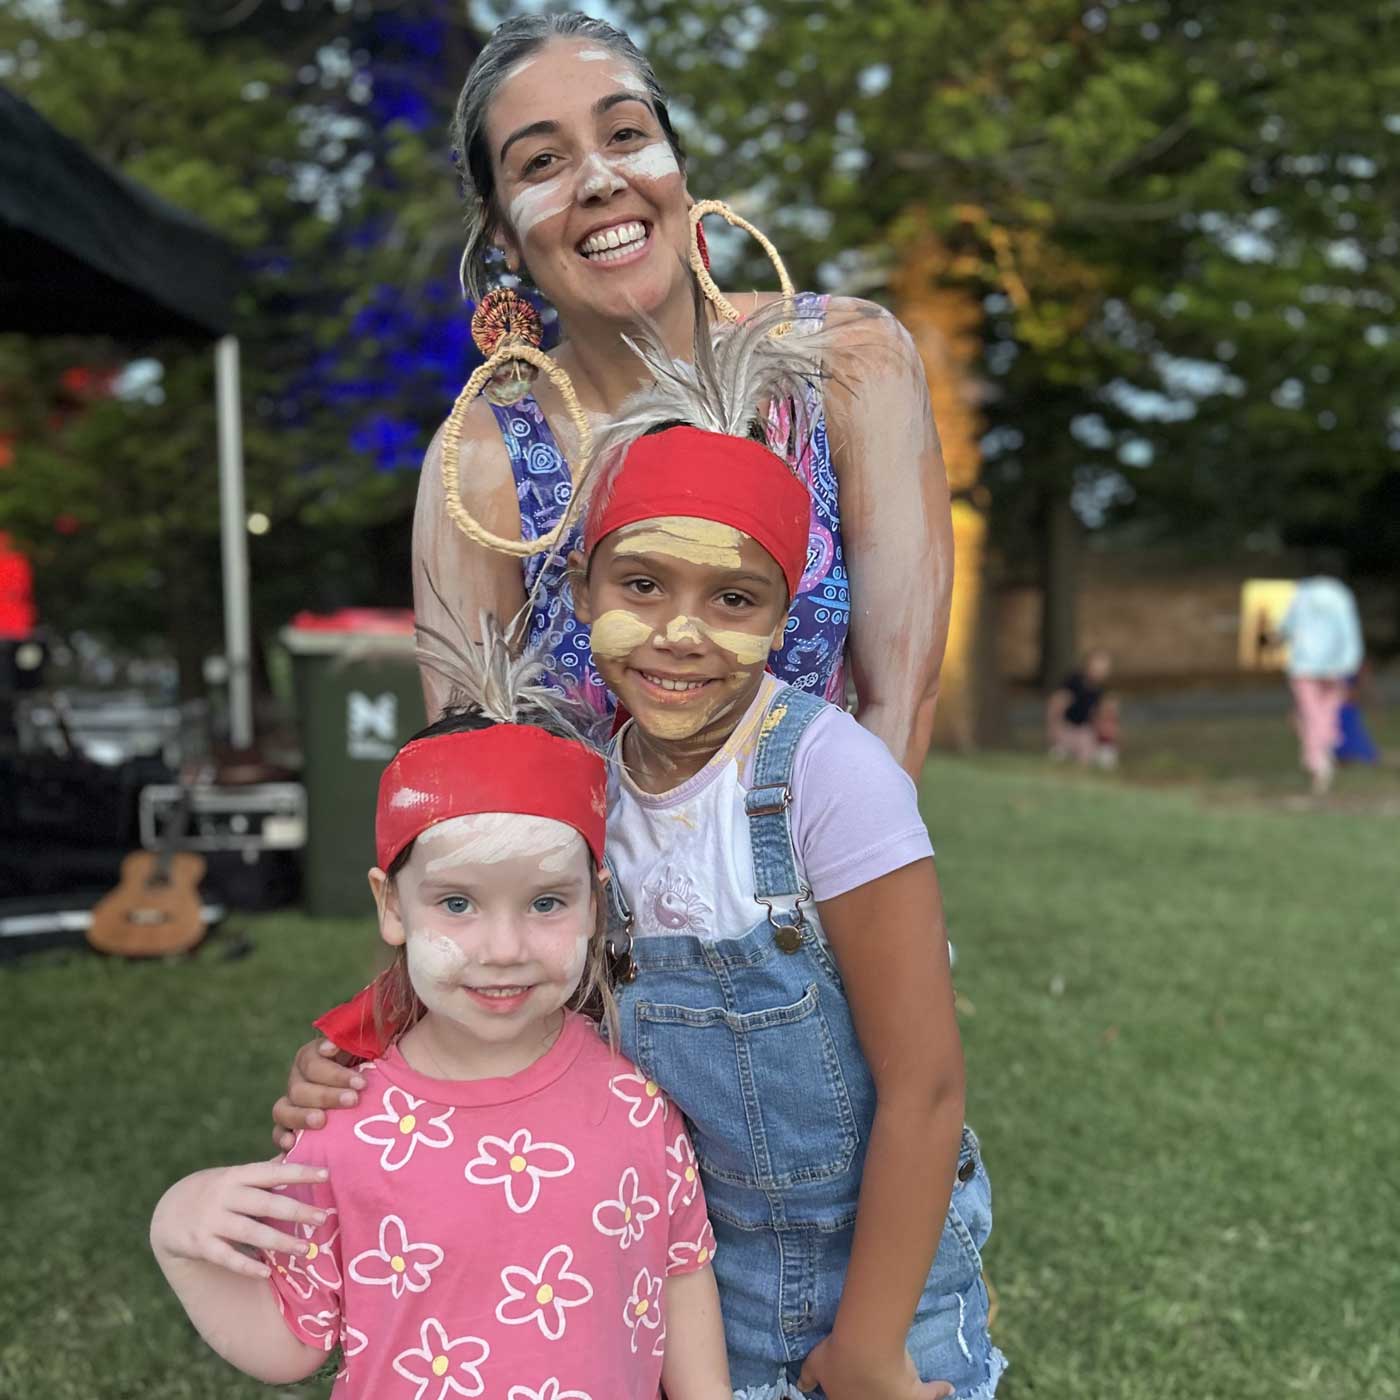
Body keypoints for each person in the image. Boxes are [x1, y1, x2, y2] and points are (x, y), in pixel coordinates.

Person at [282, 310, 1003, 1400]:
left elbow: (926, 1085)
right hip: (684, 1280)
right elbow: (504, 947)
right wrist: (346, 1051)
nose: (680, 632)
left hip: (882, 1286)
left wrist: (866, 1347)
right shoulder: (585, 796)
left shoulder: (830, 775)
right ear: (581, 594)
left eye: (733, 598)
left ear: (783, 614)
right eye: (641, 586)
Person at [152, 625, 729, 1398]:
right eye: (457, 903)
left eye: (546, 903)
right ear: (392, 906)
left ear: (595, 903)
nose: (503, 948)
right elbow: (291, 1344)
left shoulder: (637, 1106)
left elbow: (681, 1275)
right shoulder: (341, 1129)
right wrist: (176, 1233)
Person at [413, 11, 952, 776]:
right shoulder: (480, 459)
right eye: (542, 162)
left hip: (836, 846)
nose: (600, 180)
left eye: (625, 134)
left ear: (678, 162)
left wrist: (840, 854)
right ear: (500, 228)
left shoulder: (847, 360)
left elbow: (902, 701)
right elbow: (476, 779)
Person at [1276, 575, 1364, 794]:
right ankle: (1324, 749)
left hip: (1304, 666)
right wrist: (1348, 663)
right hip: (1335, 666)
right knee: (1326, 712)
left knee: (1310, 713)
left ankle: (1317, 759)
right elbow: (1349, 631)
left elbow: (1287, 626)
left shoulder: (1302, 595)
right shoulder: (1341, 595)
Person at [1045, 648, 1118, 768]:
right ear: (1088, 665)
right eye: (1097, 666)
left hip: (1085, 730)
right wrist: (1054, 728)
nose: (1100, 671)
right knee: (1061, 756)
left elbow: (1100, 716)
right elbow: (1057, 704)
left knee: (1089, 754)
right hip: (1068, 727)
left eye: (1104, 668)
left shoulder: (1100, 690)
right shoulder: (1074, 682)